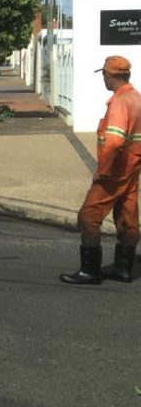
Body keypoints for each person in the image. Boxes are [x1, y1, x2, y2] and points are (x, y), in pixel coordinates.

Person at [61, 56, 141, 285]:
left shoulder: (119, 103)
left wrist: (103, 171)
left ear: (110, 75)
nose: (103, 79)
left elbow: (114, 142)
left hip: (114, 172)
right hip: (132, 170)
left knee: (88, 217)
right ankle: (123, 269)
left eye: (104, 74)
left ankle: (90, 271)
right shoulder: (137, 99)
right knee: (127, 219)